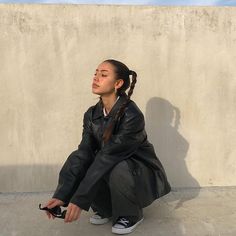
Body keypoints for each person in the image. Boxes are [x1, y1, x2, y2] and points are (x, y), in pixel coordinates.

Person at [42, 59, 171, 234]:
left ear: (118, 83)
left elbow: (109, 155)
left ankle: (131, 214)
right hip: (109, 164)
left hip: (138, 173)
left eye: (103, 75)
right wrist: (62, 195)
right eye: (95, 73)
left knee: (117, 166)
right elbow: (84, 152)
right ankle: (107, 209)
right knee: (78, 157)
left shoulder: (132, 115)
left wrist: (79, 199)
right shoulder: (91, 114)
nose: (96, 78)